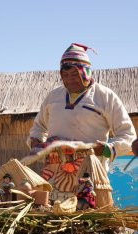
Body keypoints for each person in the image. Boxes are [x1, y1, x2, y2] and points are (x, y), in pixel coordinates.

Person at [28, 43, 136, 201]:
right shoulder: (54, 97)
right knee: (53, 215)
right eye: (65, 74)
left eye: (74, 73)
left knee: (86, 215)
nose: (69, 79)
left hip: (89, 174)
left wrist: (107, 148)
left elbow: (128, 136)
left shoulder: (105, 97)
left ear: (86, 72)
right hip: (54, 175)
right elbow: (39, 126)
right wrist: (36, 141)